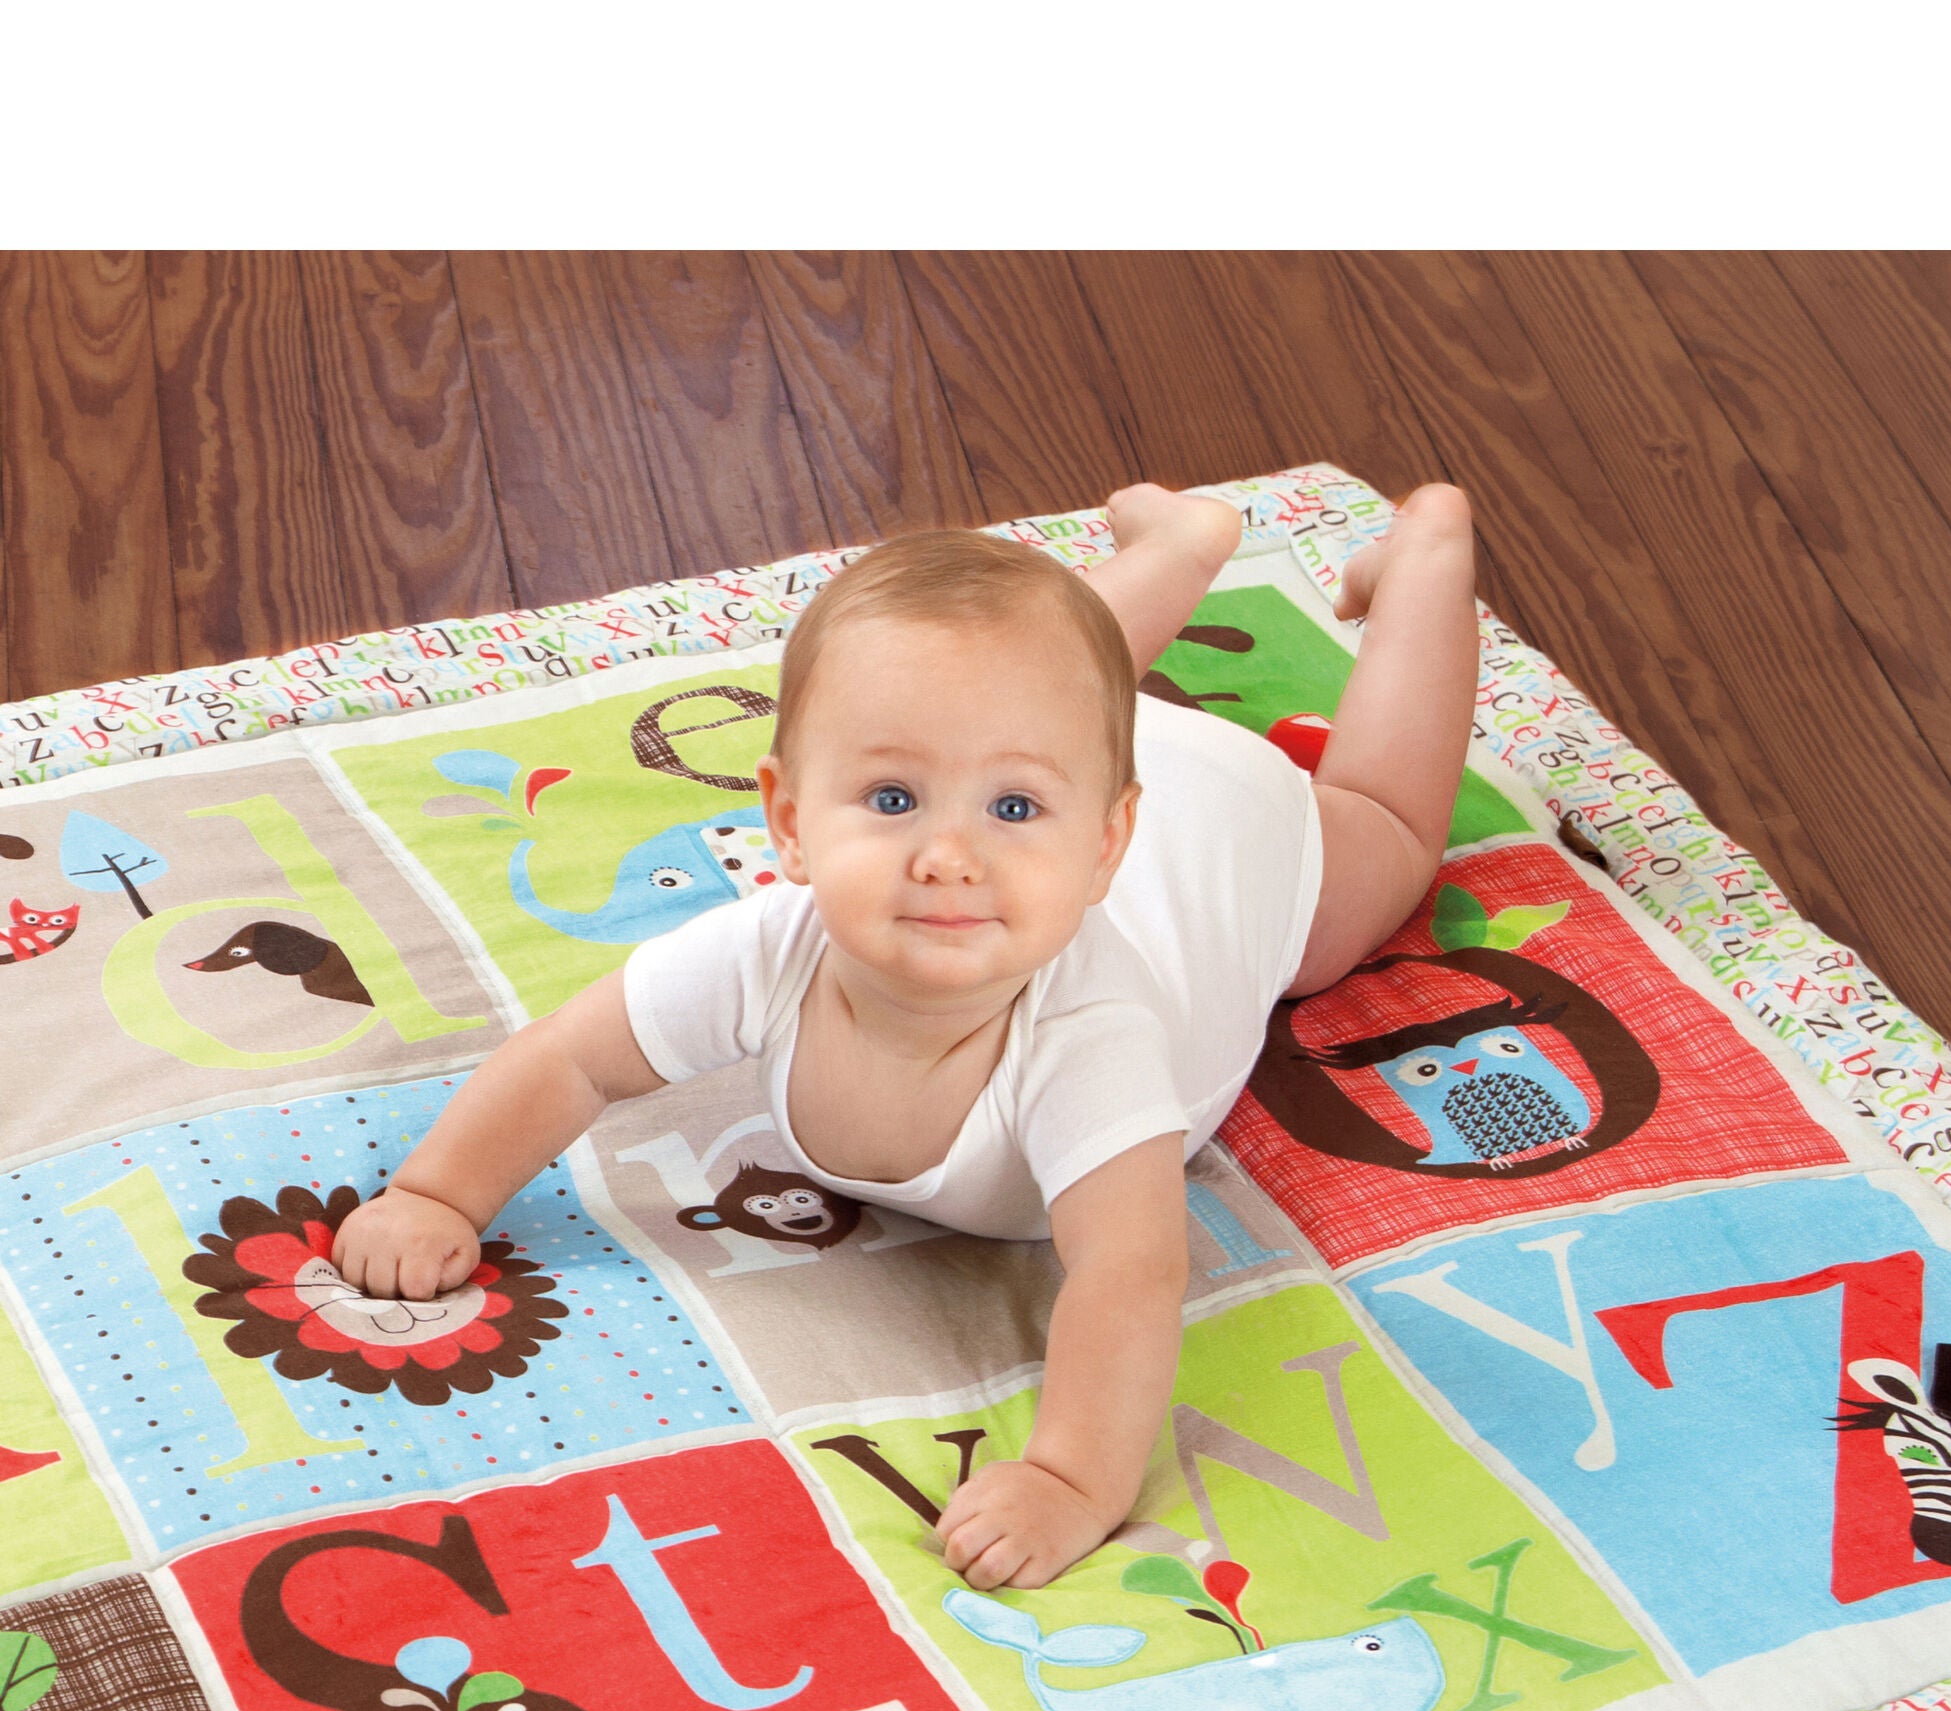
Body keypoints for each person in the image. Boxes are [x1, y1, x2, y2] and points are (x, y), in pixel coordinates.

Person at [332, 481, 1480, 1591]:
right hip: (1076, 756)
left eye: (1009, 815)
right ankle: (1178, 545)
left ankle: (1426, 558)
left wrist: (1072, 1480)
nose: (946, 855)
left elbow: (1129, 1272)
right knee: (1004, 681)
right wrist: (440, 1193)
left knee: (1376, 837)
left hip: (1225, 845)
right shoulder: (766, 946)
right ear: (786, 820)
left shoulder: (1090, 1035)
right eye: (889, 800)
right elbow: (570, 1057)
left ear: (1102, 845)